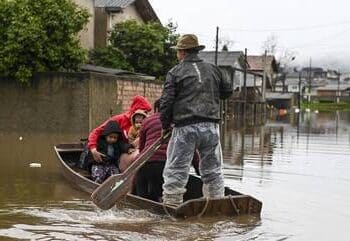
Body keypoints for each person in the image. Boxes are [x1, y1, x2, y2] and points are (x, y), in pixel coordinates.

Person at [159, 34, 233, 206]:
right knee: (213, 171)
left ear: (182, 52)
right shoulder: (214, 69)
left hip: (185, 127)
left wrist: (165, 124)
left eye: (178, 51)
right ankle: (216, 205)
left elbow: (166, 102)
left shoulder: (175, 72)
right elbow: (227, 91)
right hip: (211, 127)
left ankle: (172, 206)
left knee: (177, 170)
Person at [135, 99, 200, 202]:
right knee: (164, 198)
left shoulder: (147, 121)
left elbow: (142, 148)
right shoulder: (179, 123)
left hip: (144, 165)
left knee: (141, 198)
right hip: (166, 166)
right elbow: (192, 150)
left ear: (156, 109)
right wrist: (199, 170)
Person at [87, 95, 152, 171]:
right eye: (143, 112)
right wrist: (93, 150)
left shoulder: (147, 122)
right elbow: (96, 132)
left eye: (146, 113)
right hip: (119, 154)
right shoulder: (119, 120)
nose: (145, 115)